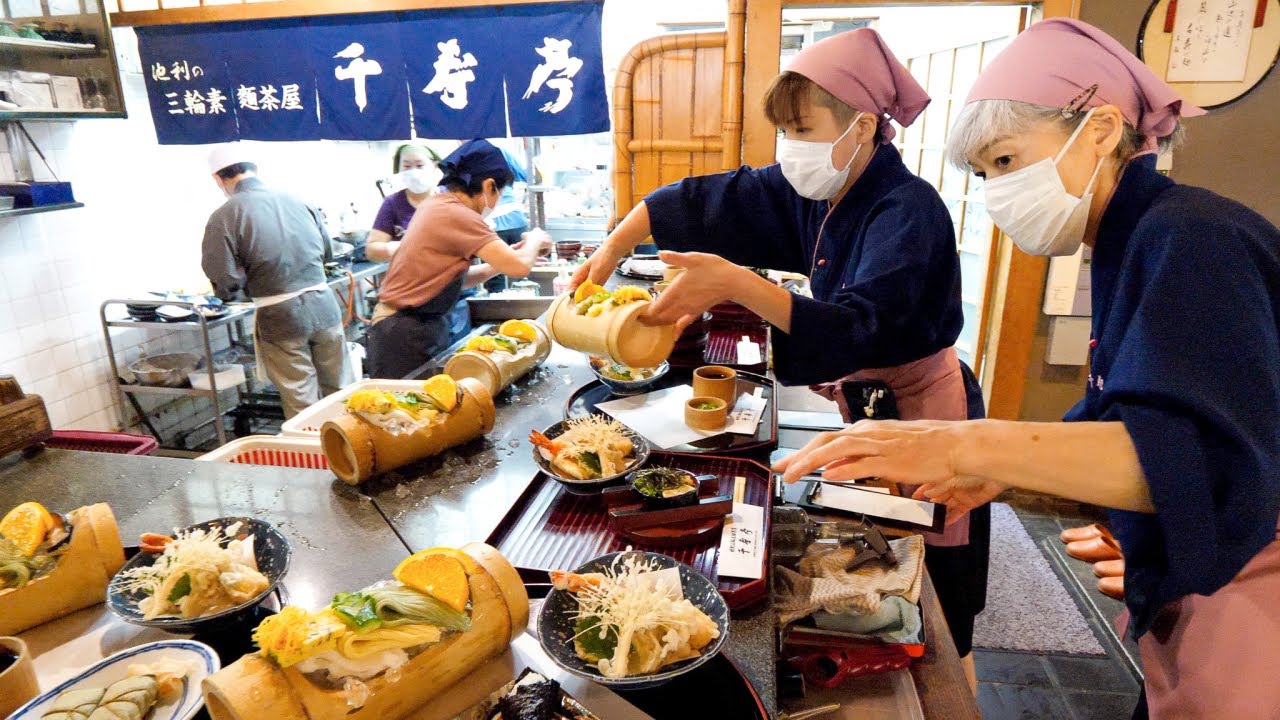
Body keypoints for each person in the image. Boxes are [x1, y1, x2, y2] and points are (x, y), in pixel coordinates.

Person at [775, 18, 1280, 719]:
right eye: (984, 174)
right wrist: (1002, 474)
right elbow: (1131, 418)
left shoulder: (1190, 234)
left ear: (1101, 130)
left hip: (1256, 596)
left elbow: (1194, 459)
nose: (994, 192)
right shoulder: (1132, 237)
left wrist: (967, 443)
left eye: (1006, 162)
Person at [572, 28, 988, 686]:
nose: (789, 147)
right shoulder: (822, 190)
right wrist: (615, 245)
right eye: (784, 131)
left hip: (922, 405)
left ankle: (953, 682)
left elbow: (859, 329)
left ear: (860, 126)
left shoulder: (909, 211)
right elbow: (712, 197)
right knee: (883, 556)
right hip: (867, 397)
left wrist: (738, 283)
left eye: (801, 127)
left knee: (936, 583)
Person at [366, 139, 552, 379]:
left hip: (410, 328)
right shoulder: (458, 214)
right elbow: (518, 268)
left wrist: (499, 263)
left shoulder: (438, 205)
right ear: (488, 186)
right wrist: (535, 238)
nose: (497, 202)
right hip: (403, 334)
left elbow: (448, 280)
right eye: (500, 192)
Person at [201, 144, 352, 418]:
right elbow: (328, 251)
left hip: (281, 317)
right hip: (324, 306)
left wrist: (236, 290)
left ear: (217, 178)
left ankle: (313, 457)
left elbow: (225, 279)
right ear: (255, 169)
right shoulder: (298, 199)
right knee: (341, 391)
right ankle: (355, 453)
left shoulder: (224, 216)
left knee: (301, 400)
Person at [366, 142, 442, 262]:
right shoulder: (393, 203)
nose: (413, 172)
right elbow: (372, 250)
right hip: (409, 276)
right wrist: (406, 248)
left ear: (435, 166)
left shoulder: (449, 198)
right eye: (407, 167)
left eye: (419, 165)